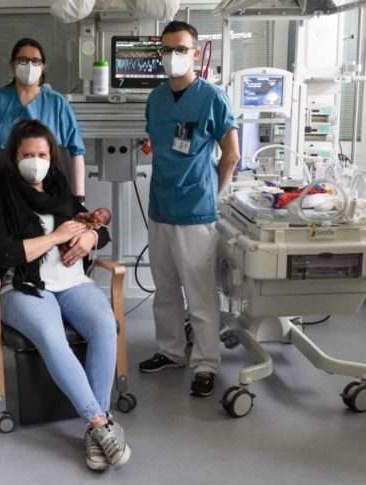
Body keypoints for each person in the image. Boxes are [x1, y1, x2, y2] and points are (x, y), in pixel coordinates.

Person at [0, 119, 131, 472]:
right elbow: (3, 253)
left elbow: (96, 228)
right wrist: (55, 237)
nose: (35, 161)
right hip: (24, 286)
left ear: (52, 157)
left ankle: (97, 429)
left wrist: (90, 237)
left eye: (42, 154)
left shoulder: (59, 187)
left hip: (72, 281)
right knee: (52, 336)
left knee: (104, 326)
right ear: (14, 157)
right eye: (27, 155)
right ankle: (99, 421)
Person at [138, 21, 240, 398]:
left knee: (199, 294)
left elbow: (231, 154)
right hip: (160, 208)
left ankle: (206, 362)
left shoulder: (212, 97)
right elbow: (158, 143)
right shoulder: (156, 99)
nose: (172, 56)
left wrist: (213, 195)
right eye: (166, 50)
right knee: (165, 289)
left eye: (180, 49)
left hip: (196, 211)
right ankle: (170, 351)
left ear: (195, 53)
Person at [0, 38, 87, 204]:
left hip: (49, 191)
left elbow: (76, 153)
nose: (29, 65)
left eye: (35, 61)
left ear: (43, 66)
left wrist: (79, 199)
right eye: (22, 60)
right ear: (13, 64)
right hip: (2, 192)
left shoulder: (57, 103)